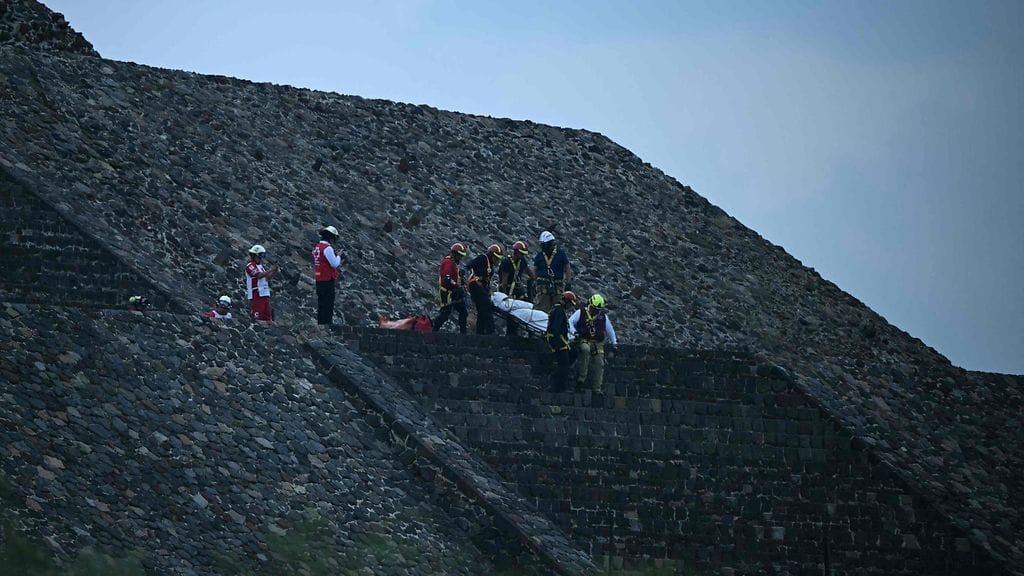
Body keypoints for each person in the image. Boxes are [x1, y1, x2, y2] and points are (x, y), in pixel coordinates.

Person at [568, 293, 618, 394]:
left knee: (600, 363)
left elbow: (610, 330)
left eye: (597, 309)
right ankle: (581, 379)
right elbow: (570, 321)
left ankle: (597, 388)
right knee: (585, 350)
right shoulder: (581, 312)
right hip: (583, 339)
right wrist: (574, 333)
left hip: (598, 342)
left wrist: (614, 343)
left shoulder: (603, 317)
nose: (594, 311)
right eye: (593, 308)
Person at [498, 240, 537, 337]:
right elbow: (504, 281)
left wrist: (534, 283)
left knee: (524, 307)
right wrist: (505, 296)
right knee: (511, 312)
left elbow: (531, 274)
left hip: (518, 289)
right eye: (522, 254)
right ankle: (511, 333)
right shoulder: (507, 262)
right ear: (516, 252)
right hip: (507, 290)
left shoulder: (522, 261)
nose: (523, 256)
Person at [464, 243, 504, 335]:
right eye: (496, 257)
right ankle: (491, 332)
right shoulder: (482, 258)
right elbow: (470, 264)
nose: (497, 260)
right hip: (475, 286)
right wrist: (464, 271)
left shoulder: (490, 265)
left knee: (482, 311)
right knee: (487, 308)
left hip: (482, 288)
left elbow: (487, 280)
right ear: (491, 255)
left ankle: (480, 333)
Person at [533, 231, 573, 313]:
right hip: (543, 287)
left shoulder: (560, 254)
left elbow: (567, 268)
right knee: (542, 310)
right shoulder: (540, 256)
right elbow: (535, 270)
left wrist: (568, 284)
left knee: (557, 309)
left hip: (557, 287)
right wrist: (533, 283)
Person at [432, 242, 468, 334]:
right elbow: (447, 278)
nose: (460, 258)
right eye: (459, 255)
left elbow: (454, 277)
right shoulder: (448, 263)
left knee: (463, 312)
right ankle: (433, 330)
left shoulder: (454, 263)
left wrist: (461, 281)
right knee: (445, 313)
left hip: (454, 292)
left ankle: (463, 333)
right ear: (454, 254)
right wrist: (457, 286)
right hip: (447, 293)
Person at [545, 291, 577, 392]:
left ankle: (557, 382)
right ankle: (558, 386)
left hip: (559, 340)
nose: (570, 307)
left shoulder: (557, 309)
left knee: (574, 353)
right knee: (564, 366)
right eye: (570, 304)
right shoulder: (559, 311)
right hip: (558, 341)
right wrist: (561, 343)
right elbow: (556, 329)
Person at [311, 225, 343, 325]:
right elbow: (334, 263)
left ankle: (321, 323)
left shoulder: (317, 247)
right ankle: (327, 323)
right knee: (328, 303)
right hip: (327, 279)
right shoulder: (327, 248)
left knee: (321, 303)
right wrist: (338, 256)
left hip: (319, 278)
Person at [245, 244, 278, 321]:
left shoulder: (260, 266)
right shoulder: (250, 266)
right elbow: (258, 275)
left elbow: (267, 278)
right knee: (258, 317)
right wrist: (270, 270)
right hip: (257, 293)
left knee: (266, 317)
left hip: (264, 293)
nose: (261, 259)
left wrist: (274, 271)